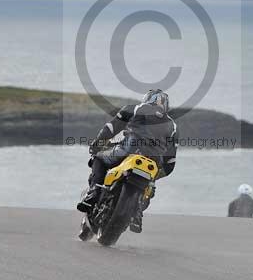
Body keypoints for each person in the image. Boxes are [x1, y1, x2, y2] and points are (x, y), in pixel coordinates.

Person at [76, 89, 178, 233]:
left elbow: (111, 128)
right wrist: (156, 175)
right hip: (154, 162)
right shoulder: (173, 126)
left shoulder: (135, 109)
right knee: (150, 188)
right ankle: (137, 213)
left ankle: (93, 193)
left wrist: (96, 145)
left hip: (128, 150)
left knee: (99, 158)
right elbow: (170, 162)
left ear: (148, 99)